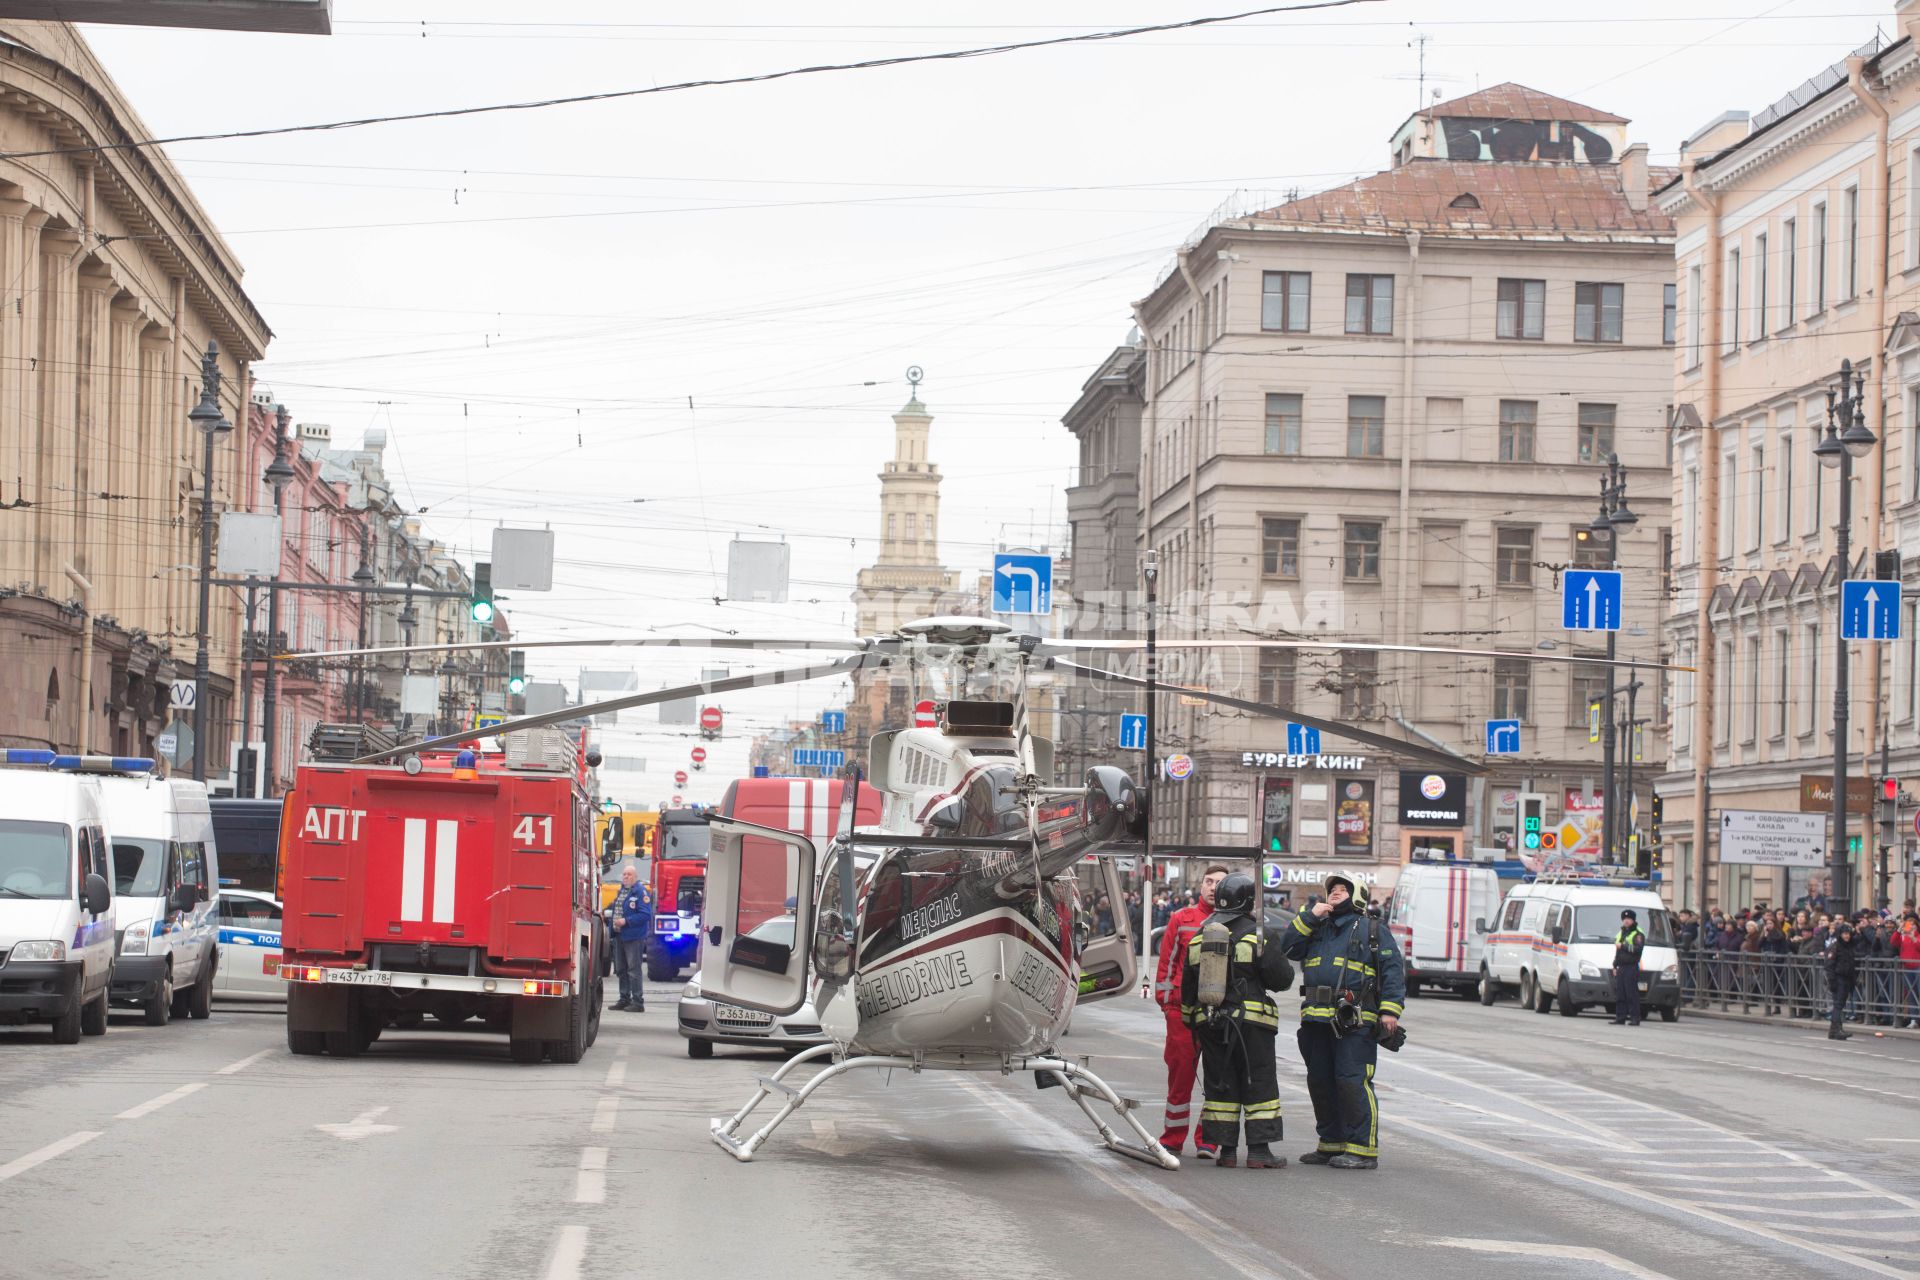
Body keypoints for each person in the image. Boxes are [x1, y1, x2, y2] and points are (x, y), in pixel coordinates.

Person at [1281, 872, 1405, 1170]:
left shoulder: (1371, 929)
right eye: (1332, 890)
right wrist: (1309, 917)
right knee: (1320, 1082)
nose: (1335, 893)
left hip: (1355, 1022)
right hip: (1315, 1020)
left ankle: (1362, 1149)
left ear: (1357, 895)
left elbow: (1392, 970)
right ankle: (1331, 1144)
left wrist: (1390, 1011)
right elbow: (1287, 948)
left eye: (1342, 889)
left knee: (1352, 1082)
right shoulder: (1317, 926)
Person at [1180, 872, 1294, 1170]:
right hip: (1252, 1027)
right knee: (1259, 1083)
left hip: (1213, 1024)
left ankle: (1227, 1152)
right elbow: (1281, 979)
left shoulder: (1200, 937)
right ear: (1247, 900)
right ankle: (1259, 1151)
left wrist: (1195, 1025)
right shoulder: (1258, 935)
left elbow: (1188, 990)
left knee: (1221, 1087)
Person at [1149, 864, 1228, 1159]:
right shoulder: (1182, 919)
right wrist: (1167, 1003)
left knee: (1218, 1077)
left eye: (1219, 883)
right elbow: (1167, 963)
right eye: (1208, 881)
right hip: (1182, 1012)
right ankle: (1172, 1138)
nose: (1211, 887)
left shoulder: (1235, 922)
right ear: (1201, 885)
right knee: (1180, 1075)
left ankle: (1208, 1140)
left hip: (1220, 1014)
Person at [611, 863, 654, 1012]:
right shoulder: (622, 892)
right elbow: (615, 908)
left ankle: (637, 1002)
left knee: (633, 970)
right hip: (619, 936)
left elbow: (645, 915)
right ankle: (624, 999)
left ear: (635, 877)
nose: (626, 877)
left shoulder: (640, 892)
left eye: (629, 874)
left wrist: (626, 921)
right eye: (624, 874)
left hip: (633, 937)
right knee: (621, 969)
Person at [1609, 909, 1645, 1025]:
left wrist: (1623, 946)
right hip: (1622, 967)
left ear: (1633, 920)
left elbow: (1638, 950)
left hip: (1631, 966)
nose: (1626, 921)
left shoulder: (1638, 933)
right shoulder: (1622, 932)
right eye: (1624, 919)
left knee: (1631, 993)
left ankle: (1635, 1018)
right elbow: (1618, 951)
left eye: (1629, 919)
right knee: (1620, 993)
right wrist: (1615, 965)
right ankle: (1620, 1017)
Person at [1826, 918, 1860, 1040]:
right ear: (1840, 934)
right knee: (1838, 1005)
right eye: (1845, 934)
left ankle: (1834, 1031)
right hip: (1838, 978)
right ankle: (1836, 1030)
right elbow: (1829, 966)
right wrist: (1832, 981)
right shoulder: (1835, 947)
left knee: (1839, 1005)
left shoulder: (1848, 946)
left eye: (1848, 934)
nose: (1847, 936)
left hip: (1847, 979)